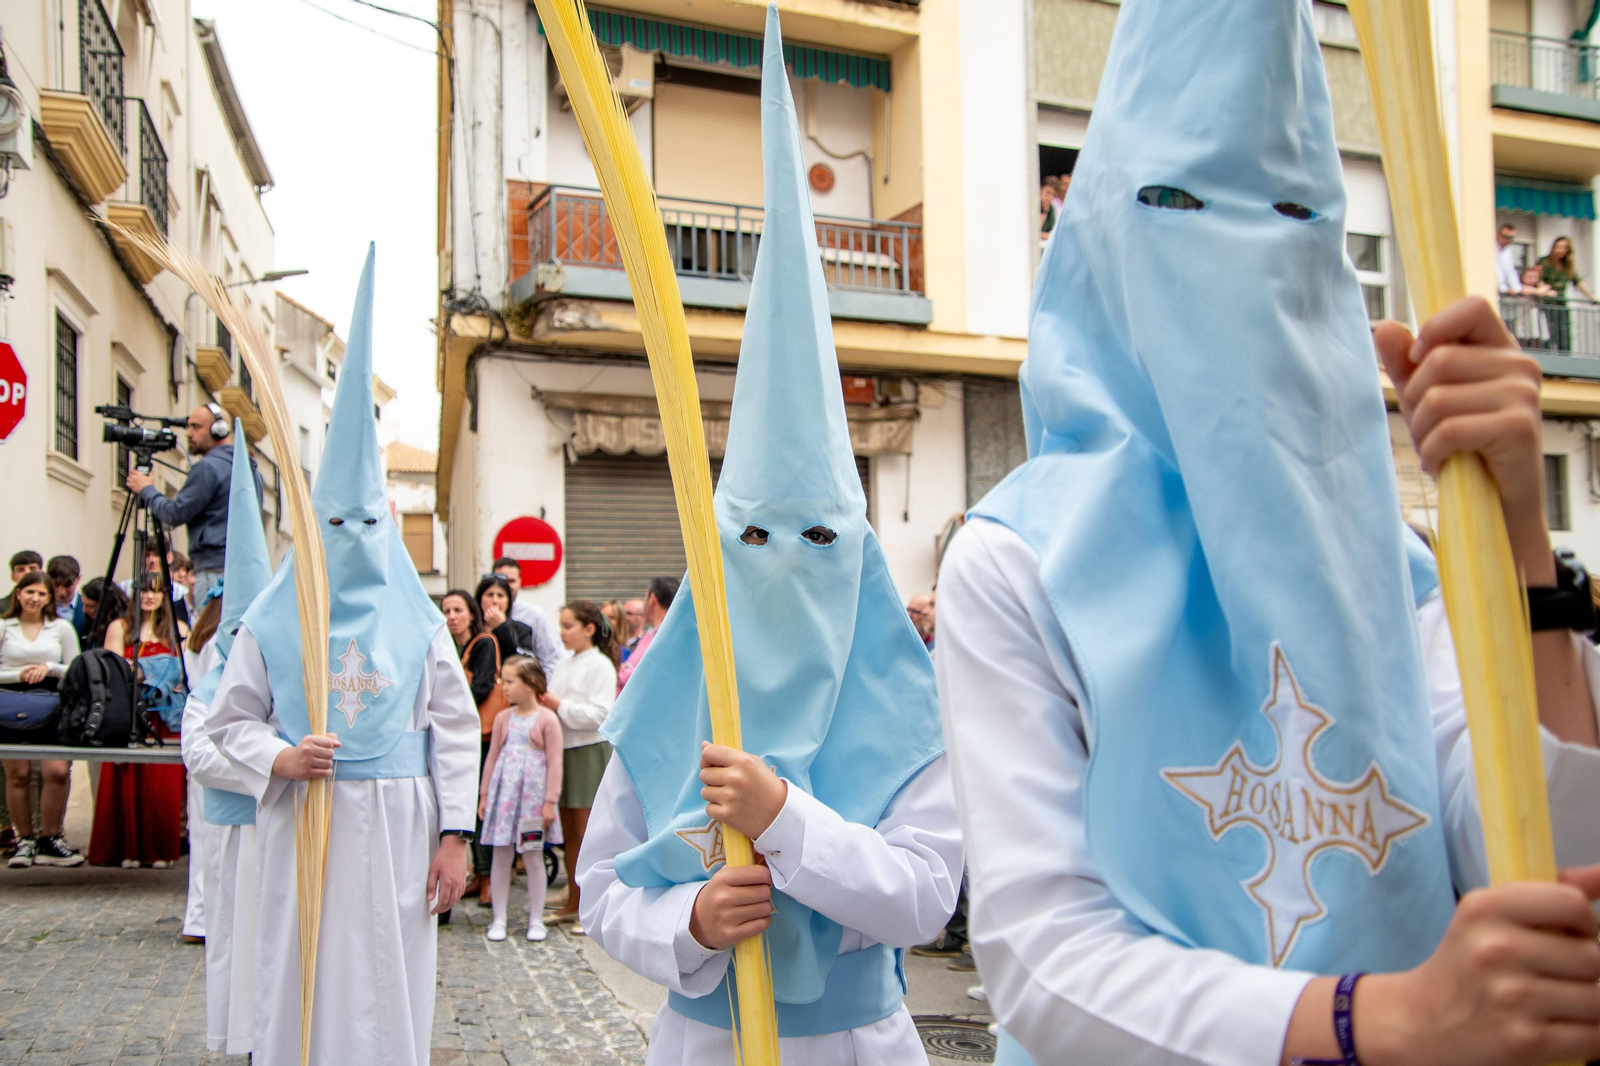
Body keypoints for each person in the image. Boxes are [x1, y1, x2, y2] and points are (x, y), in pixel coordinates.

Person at [936, 2, 1600, 1063]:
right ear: (1104, 242)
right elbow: (1042, 956)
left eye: (1293, 215)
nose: (1241, 254)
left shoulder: (1408, 571)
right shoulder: (1018, 563)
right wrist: (1373, 1020)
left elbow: (1558, 863)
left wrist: (1523, 536)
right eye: (1177, 206)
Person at [579, 16, 959, 1061]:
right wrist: (686, 924)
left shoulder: (906, 710)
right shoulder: (671, 699)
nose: (785, 560)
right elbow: (604, 888)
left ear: (865, 553)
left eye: (820, 537)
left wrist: (787, 815)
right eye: (750, 536)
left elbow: (925, 893)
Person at [208, 250, 478, 1066]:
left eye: (369, 526)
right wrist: (281, 756)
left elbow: (456, 728)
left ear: (387, 526)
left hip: (401, 823)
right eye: (337, 528)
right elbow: (229, 720)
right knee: (304, 970)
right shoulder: (274, 617)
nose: (354, 545)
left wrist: (456, 835)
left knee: (390, 978)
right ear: (313, 529)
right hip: (308, 819)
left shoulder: (419, 620)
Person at [182, 419, 275, 1053]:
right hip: (233, 827)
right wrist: (271, 760)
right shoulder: (207, 683)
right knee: (235, 938)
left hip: (277, 827)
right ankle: (235, 1039)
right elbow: (199, 752)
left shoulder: (280, 673)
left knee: (274, 939)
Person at [89, 572, 187, 869]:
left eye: (157, 591)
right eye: (145, 590)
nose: (150, 596)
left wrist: (143, 669)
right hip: (129, 712)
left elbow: (183, 671)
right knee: (126, 776)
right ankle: (122, 849)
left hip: (164, 716)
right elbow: (114, 670)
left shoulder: (178, 628)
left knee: (160, 784)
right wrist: (157, 670)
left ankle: (158, 850)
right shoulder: (120, 627)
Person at [125, 402, 263, 607]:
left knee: (209, 636)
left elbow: (174, 514)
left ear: (220, 430)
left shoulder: (207, 468)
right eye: (188, 426)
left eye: (196, 427)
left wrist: (146, 489)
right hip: (246, 571)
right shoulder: (251, 470)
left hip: (213, 572)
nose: (188, 433)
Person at [542, 599, 618, 932]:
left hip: (589, 750)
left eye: (568, 626)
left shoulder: (600, 665)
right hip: (566, 751)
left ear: (589, 629)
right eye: (560, 625)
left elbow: (600, 714)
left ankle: (593, 906)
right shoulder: (564, 664)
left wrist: (559, 705)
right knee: (570, 834)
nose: (562, 633)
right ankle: (574, 901)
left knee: (589, 834)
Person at [0, 571, 84, 868]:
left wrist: (48, 667)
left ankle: (51, 838)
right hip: (8, 702)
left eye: (41, 594)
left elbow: (75, 668)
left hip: (51, 702)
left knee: (57, 771)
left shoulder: (60, 628)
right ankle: (25, 839)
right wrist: (18, 674)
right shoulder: (4, 626)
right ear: (18, 593)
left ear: (49, 598)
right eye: (29, 592)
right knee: (18, 774)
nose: (34, 598)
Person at [478, 655, 563, 943]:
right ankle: (499, 917)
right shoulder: (503, 719)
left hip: (532, 803)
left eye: (509, 681)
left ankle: (536, 918)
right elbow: (492, 758)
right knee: (501, 855)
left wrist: (550, 801)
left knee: (532, 856)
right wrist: (484, 794)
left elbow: (555, 762)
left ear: (529, 685)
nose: (503, 686)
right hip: (504, 800)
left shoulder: (547, 720)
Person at [444, 587, 505, 905]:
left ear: (471, 613)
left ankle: (489, 880)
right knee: (470, 806)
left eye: (458, 610)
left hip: (480, 735)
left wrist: (451, 706)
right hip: (464, 736)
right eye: (447, 611)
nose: (452, 617)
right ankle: (480, 874)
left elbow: (481, 687)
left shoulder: (482, 643)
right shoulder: (451, 647)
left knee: (482, 806)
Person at [492, 558, 564, 678]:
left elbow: (550, 660)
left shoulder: (534, 615)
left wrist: (541, 691)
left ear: (520, 581)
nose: (506, 586)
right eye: (502, 580)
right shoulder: (478, 612)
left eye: (512, 581)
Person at [614, 576, 678, 690]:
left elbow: (644, 674)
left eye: (645, 598)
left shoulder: (670, 637)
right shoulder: (648, 637)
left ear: (652, 599)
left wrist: (625, 671)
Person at [1539, 234, 1597, 355]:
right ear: (1553, 247)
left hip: (1561, 301)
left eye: (1564, 247)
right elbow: (1537, 279)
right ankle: (1551, 357)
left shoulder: (1566, 266)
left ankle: (1565, 357)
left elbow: (1578, 281)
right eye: (1558, 247)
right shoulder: (1544, 262)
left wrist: (1592, 297)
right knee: (1553, 332)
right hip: (1549, 302)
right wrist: (1544, 290)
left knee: (1565, 331)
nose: (1560, 250)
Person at [474, 574, 534, 665]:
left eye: (500, 596)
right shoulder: (471, 629)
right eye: (490, 595)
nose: (495, 601)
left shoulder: (522, 630)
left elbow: (521, 664)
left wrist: (501, 628)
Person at [1510, 263, 1556, 350]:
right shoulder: (1519, 286)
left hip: (1534, 314)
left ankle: (1536, 349)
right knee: (1522, 333)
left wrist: (1541, 286)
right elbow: (1527, 291)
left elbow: (1553, 293)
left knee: (1535, 332)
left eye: (1534, 277)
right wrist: (1540, 290)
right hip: (1523, 314)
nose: (1531, 279)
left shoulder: (1537, 287)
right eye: (1529, 276)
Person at [46, 556, 87, 641]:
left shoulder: (87, 606)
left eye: (67, 585)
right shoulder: (41, 605)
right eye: (56, 585)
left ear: (78, 578)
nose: (61, 592)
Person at [0, 551, 42, 615]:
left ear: (42, 573)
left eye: (32, 569)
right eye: (21, 570)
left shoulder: (52, 604)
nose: (27, 573)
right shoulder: (1, 606)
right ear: (13, 576)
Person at [1496, 221, 1522, 295]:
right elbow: (1495, 270)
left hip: (1503, 292)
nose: (1507, 240)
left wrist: (1516, 289)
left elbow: (1511, 271)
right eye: (1504, 236)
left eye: (1510, 238)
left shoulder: (1508, 250)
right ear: (1497, 235)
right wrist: (1504, 289)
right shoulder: (1491, 248)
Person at [601, 600, 629, 667]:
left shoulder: (623, 653)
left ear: (620, 622)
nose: (606, 620)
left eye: (612, 617)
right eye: (603, 616)